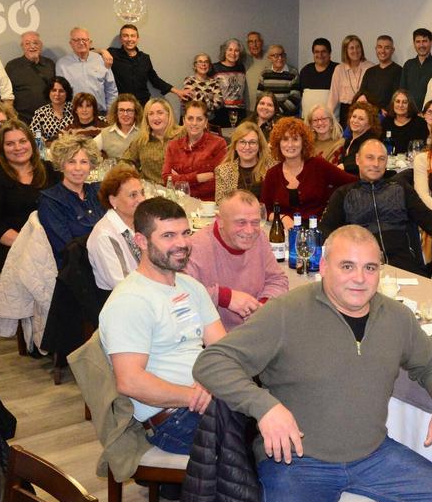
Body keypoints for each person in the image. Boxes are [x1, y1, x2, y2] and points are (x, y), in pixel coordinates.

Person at [193, 224, 432, 502]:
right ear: (323, 267)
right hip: (297, 459)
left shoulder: (395, 317)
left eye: (370, 267)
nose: (360, 278)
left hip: (371, 453)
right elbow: (213, 361)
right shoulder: (287, 312)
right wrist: (265, 406)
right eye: (347, 266)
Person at [99, 197, 227, 455]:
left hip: (208, 397)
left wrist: (213, 385)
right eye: (168, 236)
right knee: (262, 443)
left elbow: (223, 349)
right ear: (141, 241)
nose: (182, 243)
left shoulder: (190, 286)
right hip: (174, 417)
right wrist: (195, 396)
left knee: (284, 413)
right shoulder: (130, 300)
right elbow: (130, 381)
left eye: (185, 233)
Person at [321, 139, 432, 275]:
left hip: (404, 268)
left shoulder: (400, 189)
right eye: (370, 158)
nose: (376, 164)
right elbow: (325, 232)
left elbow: (430, 221)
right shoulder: (343, 194)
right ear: (357, 159)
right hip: (360, 267)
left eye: (381, 159)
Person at [186, 190, 289, 330]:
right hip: (215, 337)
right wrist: (225, 297)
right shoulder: (195, 248)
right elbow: (181, 295)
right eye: (241, 222)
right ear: (220, 220)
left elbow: (278, 280)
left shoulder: (259, 238)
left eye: (255, 222)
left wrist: (263, 306)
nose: (249, 231)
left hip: (256, 330)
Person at [0, 120, 58, 271]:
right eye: (10, 144)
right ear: (2, 148)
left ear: (32, 143)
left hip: (50, 242)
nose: (18, 148)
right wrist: (31, 245)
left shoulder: (50, 170)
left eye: (22, 141)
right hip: (10, 247)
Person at [260, 116, 356, 230]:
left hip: (318, 231)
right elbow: (264, 210)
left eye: (295, 139)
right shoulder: (272, 174)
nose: (290, 144)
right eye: (285, 139)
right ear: (278, 143)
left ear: (303, 142)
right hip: (284, 232)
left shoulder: (319, 165)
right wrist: (282, 217)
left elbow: (353, 182)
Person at [38, 133, 105, 264]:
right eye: (71, 162)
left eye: (84, 162)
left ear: (91, 166)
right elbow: (66, 249)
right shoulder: (51, 201)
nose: (78, 168)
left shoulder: (97, 192)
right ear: (61, 165)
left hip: (104, 260)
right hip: (76, 267)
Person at [87, 164, 145, 289]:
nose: (141, 199)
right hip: (123, 296)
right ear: (113, 200)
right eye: (133, 195)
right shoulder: (105, 236)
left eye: (142, 193)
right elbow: (122, 286)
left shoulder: (139, 222)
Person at [104, 24, 187, 105]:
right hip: (122, 104)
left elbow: (155, 80)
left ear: (137, 39)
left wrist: (177, 91)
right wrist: (103, 51)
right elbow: (95, 52)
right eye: (125, 36)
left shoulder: (145, 58)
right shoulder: (113, 53)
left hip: (143, 104)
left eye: (133, 36)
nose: (129, 39)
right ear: (121, 39)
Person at [163, 101, 228, 201]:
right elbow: (166, 179)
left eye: (199, 119)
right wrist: (198, 178)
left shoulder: (218, 144)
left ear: (205, 122)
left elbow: (219, 181)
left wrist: (180, 179)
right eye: (190, 118)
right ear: (184, 121)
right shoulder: (173, 146)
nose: (194, 123)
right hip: (180, 201)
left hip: (207, 204)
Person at [123, 97, 182, 184]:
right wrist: (132, 173)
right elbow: (125, 162)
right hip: (151, 189)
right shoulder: (141, 141)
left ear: (168, 115)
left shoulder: (183, 134)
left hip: (182, 188)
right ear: (146, 118)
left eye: (160, 113)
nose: (155, 118)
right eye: (151, 114)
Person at [56, 27, 117, 112]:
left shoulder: (101, 60)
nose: (81, 43)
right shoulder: (62, 64)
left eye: (84, 39)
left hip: (99, 113)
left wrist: (110, 113)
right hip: (73, 114)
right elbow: (59, 93)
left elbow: (111, 89)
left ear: (90, 43)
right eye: (76, 40)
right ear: (71, 44)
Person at [4, 31, 56, 123]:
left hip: (48, 120)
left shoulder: (50, 64)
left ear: (41, 45)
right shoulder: (12, 66)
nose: (32, 46)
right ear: (22, 46)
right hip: (22, 121)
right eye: (27, 43)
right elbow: (6, 94)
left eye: (35, 43)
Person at [214, 122, 273, 202]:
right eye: (242, 142)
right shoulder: (223, 171)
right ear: (235, 145)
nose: (247, 147)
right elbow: (220, 203)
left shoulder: (271, 168)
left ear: (259, 146)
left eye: (252, 142)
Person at [328, 34, 374, 121]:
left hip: (365, 110)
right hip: (346, 111)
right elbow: (333, 96)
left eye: (358, 47)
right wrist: (327, 116)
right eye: (351, 48)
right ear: (345, 50)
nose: (355, 50)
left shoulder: (371, 67)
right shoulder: (339, 69)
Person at [400, 28, 432, 109]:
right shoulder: (408, 65)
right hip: (409, 112)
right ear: (414, 44)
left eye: (424, 41)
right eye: (418, 42)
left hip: (429, 113)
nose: (421, 45)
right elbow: (402, 91)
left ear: (431, 43)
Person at [357, 35, 402, 111]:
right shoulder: (369, 72)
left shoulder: (399, 71)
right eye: (379, 47)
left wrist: (384, 111)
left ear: (392, 50)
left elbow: (398, 97)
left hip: (388, 115)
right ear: (376, 49)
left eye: (387, 48)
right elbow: (362, 95)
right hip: (370, 113)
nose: (382, 51)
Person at [211, 38, 248, 129]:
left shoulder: (241, 67)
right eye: (230, 50)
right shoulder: (214, 68)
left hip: (240, 111)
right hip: (220, 112)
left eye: (236, 50)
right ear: (224, 51)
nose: (233, 53)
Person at [298, 37, 337, 120]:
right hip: (308, 121)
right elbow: (300, 94)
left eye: (323, 51)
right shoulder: (305, 70)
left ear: (329, 53)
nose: (320, 55)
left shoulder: (338, 70)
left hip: (331, 122)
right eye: (317, 52)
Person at [339, 101, 382, 175]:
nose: (355, 121)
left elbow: (366, 164)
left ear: (370, 124)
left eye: (361, 119)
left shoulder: (370, 143)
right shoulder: (348, 140)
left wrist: (344, 166)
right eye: (354, 116)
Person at [93, 94, 143, 159]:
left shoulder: (143, 132)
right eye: (121, 110)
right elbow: (88, 150)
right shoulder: (106, 133)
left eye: (129, 110)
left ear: (135, 113)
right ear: (116, 113)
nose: (125, 114)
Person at [256, 45, 300, 117]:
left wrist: (277, 111)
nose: (280, 58)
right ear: (269, 58)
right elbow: (260, 96)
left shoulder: (293, 73)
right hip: (268, 115)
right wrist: (268, 110)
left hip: (287, 117)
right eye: (276, 56)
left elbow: (295, 97)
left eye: (282, 55)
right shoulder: (265, 73)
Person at [381, 89, 429, 155]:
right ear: (393, 104)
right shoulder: (386, 122)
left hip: (412, 160)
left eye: (404, 102)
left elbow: (422, 148)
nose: (400, 105)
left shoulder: (420, 123)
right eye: (397, 101)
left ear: (410, 105)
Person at [181, 53, 224, 123]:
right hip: (192, 120)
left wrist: (198, 97)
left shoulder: (214, 82)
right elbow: (190, 103)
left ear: (209, 66)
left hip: (209, 121)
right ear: (195, 65)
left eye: (206, 62)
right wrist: (208, 98)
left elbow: (218, 104)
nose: (203, 64)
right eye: (200, 62)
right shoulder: (189, 80)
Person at [30, 76, 75, 141]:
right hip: (49, 146)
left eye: (61, 91)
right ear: (48, 92)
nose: (57, 94)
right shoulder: (41, 112)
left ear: (67, 93)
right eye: (54, 90)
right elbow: (33, 135)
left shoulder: (75, 109)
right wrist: (41, 140)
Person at [244, 31, 270, 120]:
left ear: (262, 42)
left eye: (257, 41)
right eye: (251, 42)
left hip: (266, 108)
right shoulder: (243, 60)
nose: (254, 45)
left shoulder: (269, 58)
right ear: (248, 45)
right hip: (248, 108)